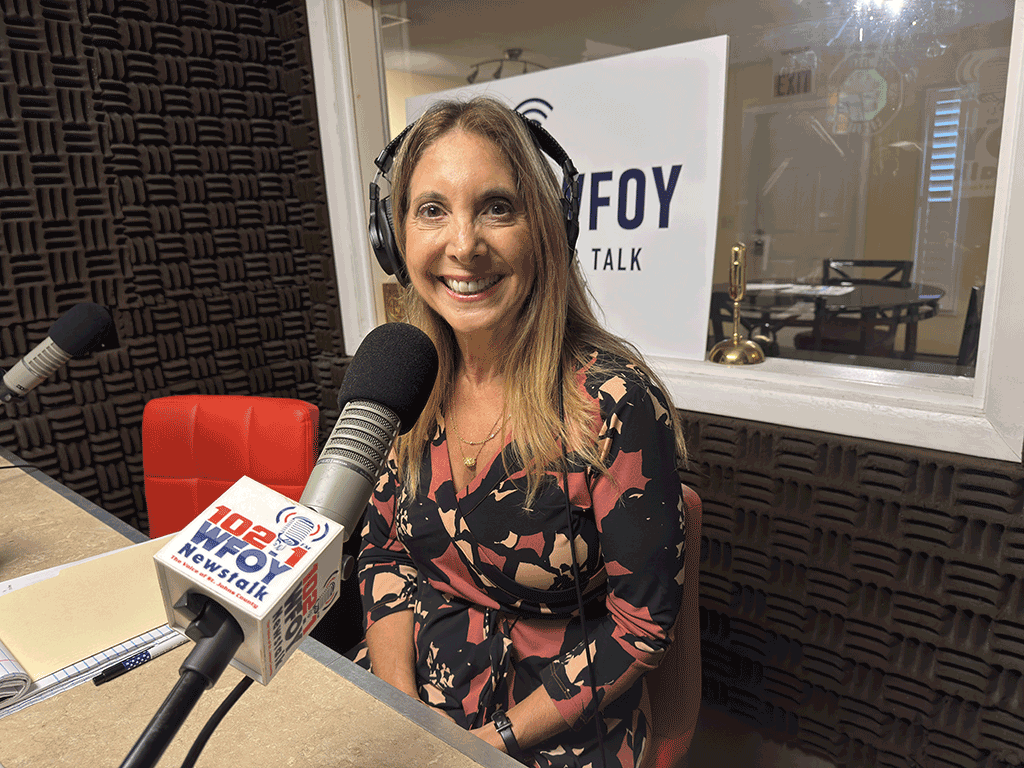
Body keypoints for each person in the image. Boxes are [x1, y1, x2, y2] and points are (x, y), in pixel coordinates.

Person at [356, 96, 688, 768]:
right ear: (395, 238)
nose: (463, 245)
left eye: (497, 208)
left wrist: (479, 749)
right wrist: (403, 708)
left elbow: (639, 629)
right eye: (432, 210)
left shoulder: (613, 405)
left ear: (547, 229)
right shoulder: (405, 380)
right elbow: (385, 555)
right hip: (411, 709)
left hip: (551, 734)